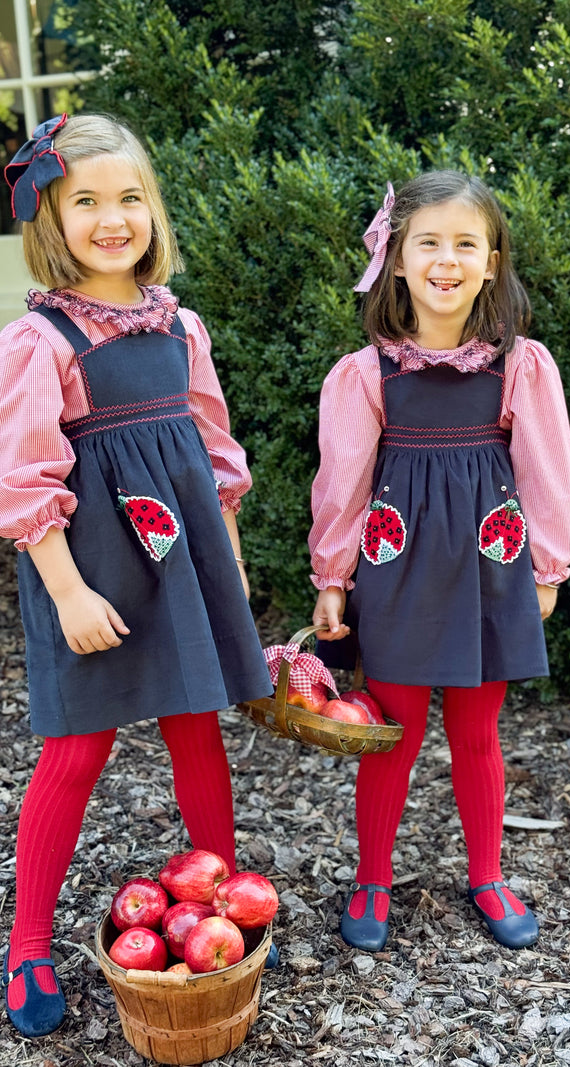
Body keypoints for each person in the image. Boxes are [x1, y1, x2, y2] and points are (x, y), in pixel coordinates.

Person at [0, 113, 272, 1038]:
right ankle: (27, 943)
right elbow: (23, 476)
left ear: (151, 210)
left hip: (182, 565)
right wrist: (68, 590)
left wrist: (226, 571)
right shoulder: (42, 342)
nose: (111, 219)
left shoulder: (178, 324)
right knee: (77, 748)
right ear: (50, 218)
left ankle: (220, 910)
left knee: (196, 729)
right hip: (95, 574)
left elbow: (212, 451)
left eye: (129, 199)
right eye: (86, 202)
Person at [309, 171, 570, 952]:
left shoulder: (520, 366)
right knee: (390, 730)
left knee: (478, 732)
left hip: (490, 570)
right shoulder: (365, 375)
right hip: (394, 573)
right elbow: (343, 483)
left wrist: (547, 568)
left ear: (492, 262)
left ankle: (488, 872)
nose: (447, 259)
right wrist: (333, 576)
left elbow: (547, 472)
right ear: (396, 259)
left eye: (467, 244)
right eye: (428, 242)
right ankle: (372, 875)